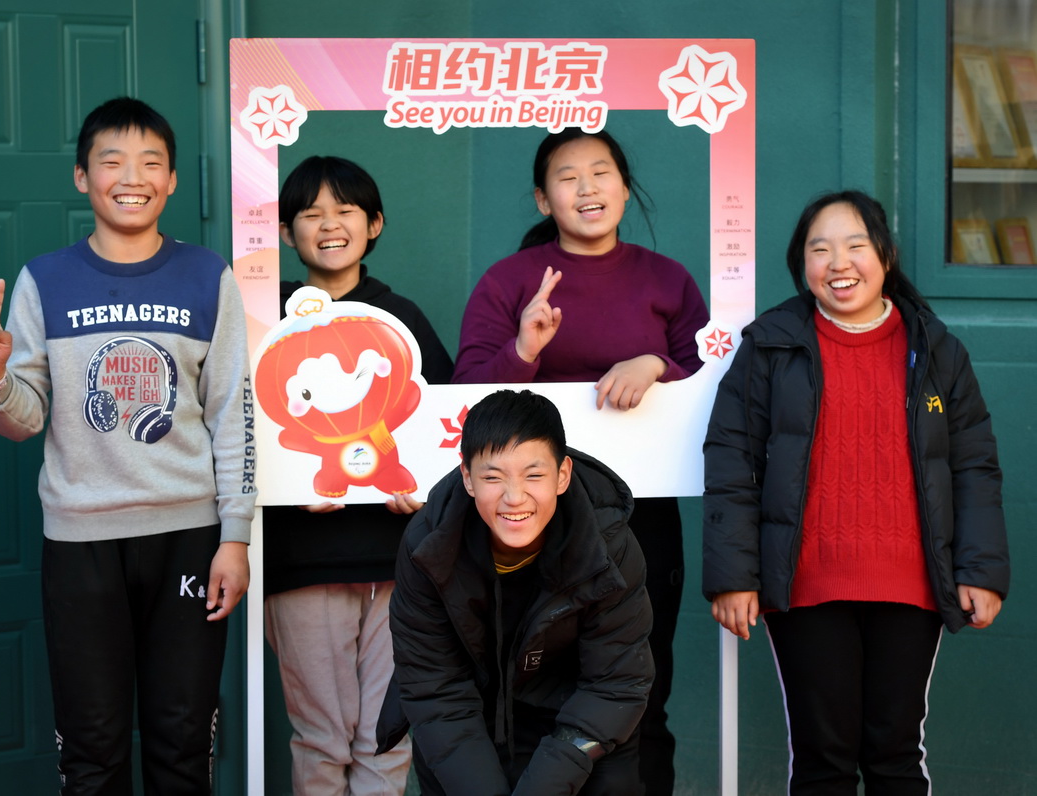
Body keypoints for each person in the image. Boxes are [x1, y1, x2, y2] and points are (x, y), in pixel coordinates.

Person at [0, 97, 254, 795]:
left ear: (173, 180)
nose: (133, 176)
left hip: (189, 535)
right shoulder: (45, 280)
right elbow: (24, 419)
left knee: (184, 741)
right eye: (112, 160)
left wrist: (235, 535)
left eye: (151, 161)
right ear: (82, 177)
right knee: (91, 749)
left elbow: (233, 410)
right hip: (80, 541)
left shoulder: (207, 276)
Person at [702, 190, 1010, 794]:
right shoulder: (770, 346)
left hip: (911, 584)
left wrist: (981, 570)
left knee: (895, 754)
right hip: (808, 584)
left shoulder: (936, 348)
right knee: (823, 760)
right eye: (820, 250)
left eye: (855, 246)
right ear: (803, 265)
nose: (838, 263)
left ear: (886, 256)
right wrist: (735, 575)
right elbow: (732, 459)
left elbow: (973, 464)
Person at [453, 128, 708, 792]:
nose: (588, 188)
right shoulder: (509, 283)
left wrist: (658, 364)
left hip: (642, 520)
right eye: (568, 177)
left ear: (625, 186)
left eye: (602, 172)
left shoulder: (667, 280)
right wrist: (525, 350)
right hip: (524, 522)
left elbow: (712, 379)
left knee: (641, 692)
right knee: (530, 696)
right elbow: (467, 396)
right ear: (543, 199)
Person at [263, 155, 453, 795]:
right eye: (310, 214)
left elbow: (447, 417)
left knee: (388, 734)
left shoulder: (400, 318)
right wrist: (293, 491)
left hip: (400, 558)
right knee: (321, 736)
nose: (329, 224)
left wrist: (421, 487)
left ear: (374, 224)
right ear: (287, 233)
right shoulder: (267, 321)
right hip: (302, 558)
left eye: (345, 210)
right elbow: (246, 422)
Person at [378, 389, 653, 795]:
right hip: (466, 718)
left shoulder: (609, 545)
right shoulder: (428, 547)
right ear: (468, 478)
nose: (514, 497)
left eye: (534, 475)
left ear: (562, 476)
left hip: (579, 717)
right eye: (493, 477)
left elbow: (616, 684)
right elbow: (435, 689)